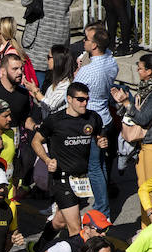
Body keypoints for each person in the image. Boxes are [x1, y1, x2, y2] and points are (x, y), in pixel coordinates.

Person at [32, 82, 106, 239]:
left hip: (81, 180)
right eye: (80, 99)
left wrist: (101, 141)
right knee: (76, 228)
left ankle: (37, 248)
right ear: (69, 99)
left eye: (87, 99)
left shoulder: (93, 118)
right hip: (61, 178)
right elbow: (36, 141)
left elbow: (99, 136)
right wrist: (47, 160)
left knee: (59, 221)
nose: (84, 103)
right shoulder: (55, 120)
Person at [113, 54, 152, 196]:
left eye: (140, 68)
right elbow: (133, 112)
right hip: (140, 142)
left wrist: (127, 103)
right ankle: (145, 212)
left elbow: (143, 119)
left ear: (149, 71)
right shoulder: (144, 88)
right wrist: (122, 102)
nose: (137, 70)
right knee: (142, 186)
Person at [74, 25, 118, 217]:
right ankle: (103, 204)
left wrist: (78, 71)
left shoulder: (88, 71)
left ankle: (102, 209)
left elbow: (73, 92)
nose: (83, 41)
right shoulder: (111, 62)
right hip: (105, 118)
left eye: (86, 39)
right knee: (100, 164)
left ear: (94, 45)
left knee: (94, 167)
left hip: (91, 121)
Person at [26, 45, 74, 119]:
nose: (47, 60)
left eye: (49, 57)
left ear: (57, 60)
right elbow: (46, 104)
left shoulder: (65, 84)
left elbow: (51, 105)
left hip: (57, 124)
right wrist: (35, 95)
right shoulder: (55, 82)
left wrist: (36, 92)